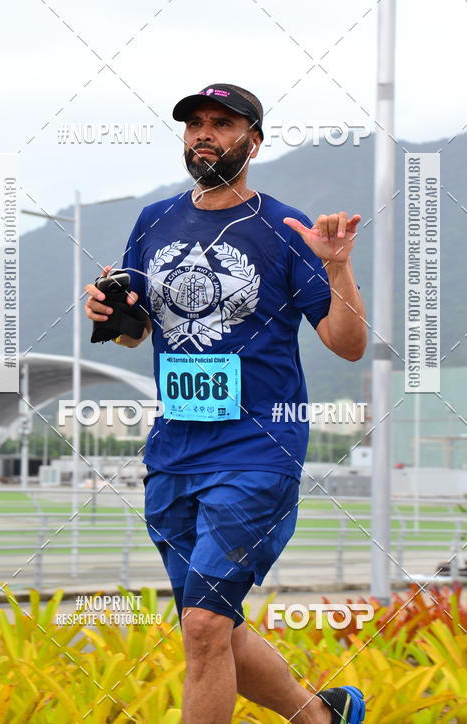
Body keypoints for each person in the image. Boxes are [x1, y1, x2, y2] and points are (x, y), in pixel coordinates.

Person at [84, 83, 367, 724]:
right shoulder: (153, 221)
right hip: (175, 449)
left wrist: (338, 268)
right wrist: (108, 308)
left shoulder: (286, 228)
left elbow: (347, 345)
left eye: (222, 124)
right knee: (212, 623)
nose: (204, 134)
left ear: (254, 143)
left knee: (206, 624)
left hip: (257, 449)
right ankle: (322, 716)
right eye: (194, 125)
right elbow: (137, 330)